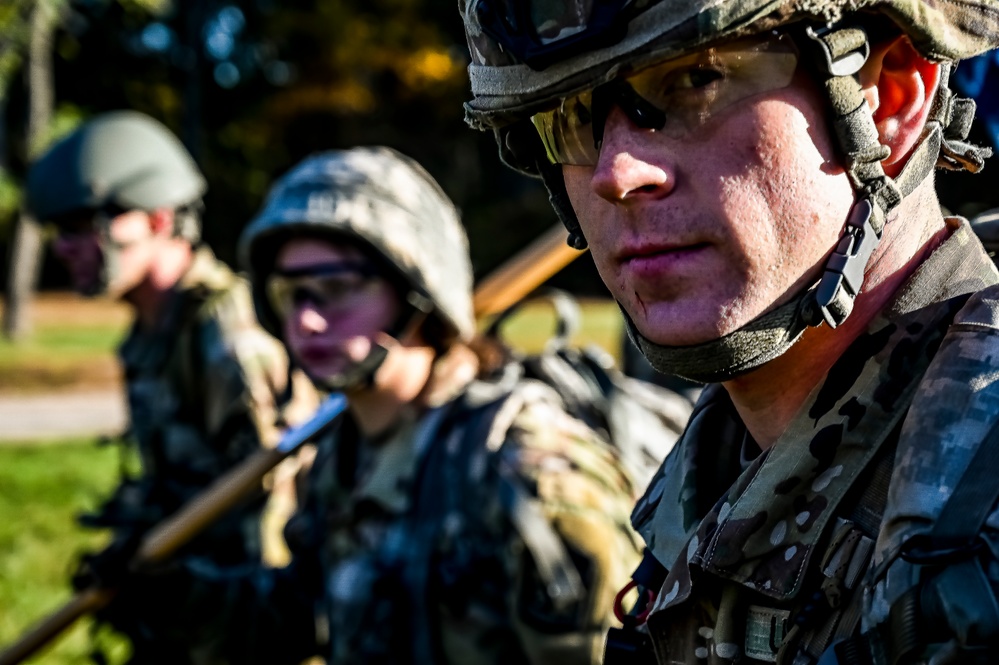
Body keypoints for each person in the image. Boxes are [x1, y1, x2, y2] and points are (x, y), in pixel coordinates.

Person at [457, 1, 999, 663]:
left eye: (694, 82)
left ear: (886, 101)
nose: (615, 173)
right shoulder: (699, 493)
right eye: (569, 117)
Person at [115, 146, 644, 665]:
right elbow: (296, 620)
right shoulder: (341, 453)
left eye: (337, 288)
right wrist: (174, 593)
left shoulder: (526, 473)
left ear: (418, 292)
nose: (307, 322)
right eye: (291, 294)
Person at [25, 110, 316, 663]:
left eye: (83, 225)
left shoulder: (226, 332)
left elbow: (271, 507)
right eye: (60, 231)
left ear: (159, 220)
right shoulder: (153, 331)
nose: (65, 247)